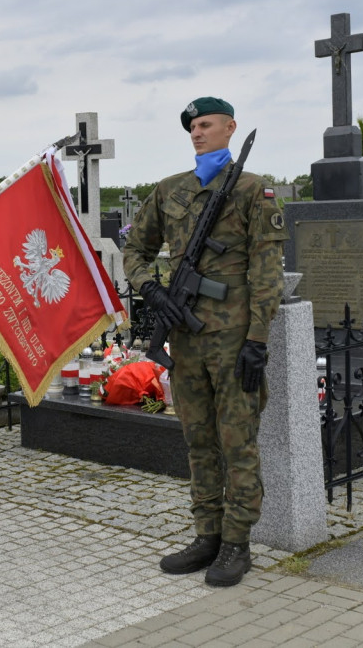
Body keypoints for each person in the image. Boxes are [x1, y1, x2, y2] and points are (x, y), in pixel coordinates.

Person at [122, 97, 287, 587]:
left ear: (230, 128)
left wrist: (257, 338)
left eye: (206, 124)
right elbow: (136, 248)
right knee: (198, 441)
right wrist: (150, 287)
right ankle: (206, 535)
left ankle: (237, 543)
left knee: (237, 441)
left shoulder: (255, 192)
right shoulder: (170, 190)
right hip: (185, 338)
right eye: (192, 127)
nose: (198, 133)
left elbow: (266, 271)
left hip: (234, 338)